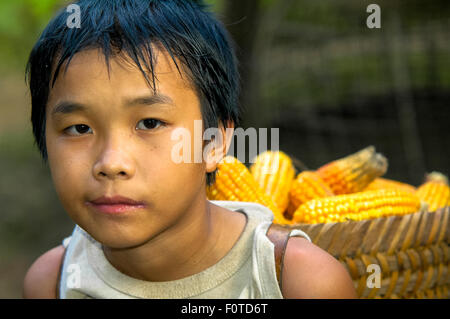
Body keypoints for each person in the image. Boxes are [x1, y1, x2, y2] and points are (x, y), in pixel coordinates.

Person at [22, 0, 357, 299]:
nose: (111, 163)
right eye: (79, 128)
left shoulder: (295, 281)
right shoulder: (53, 283)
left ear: (215, 143)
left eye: (150, 123)